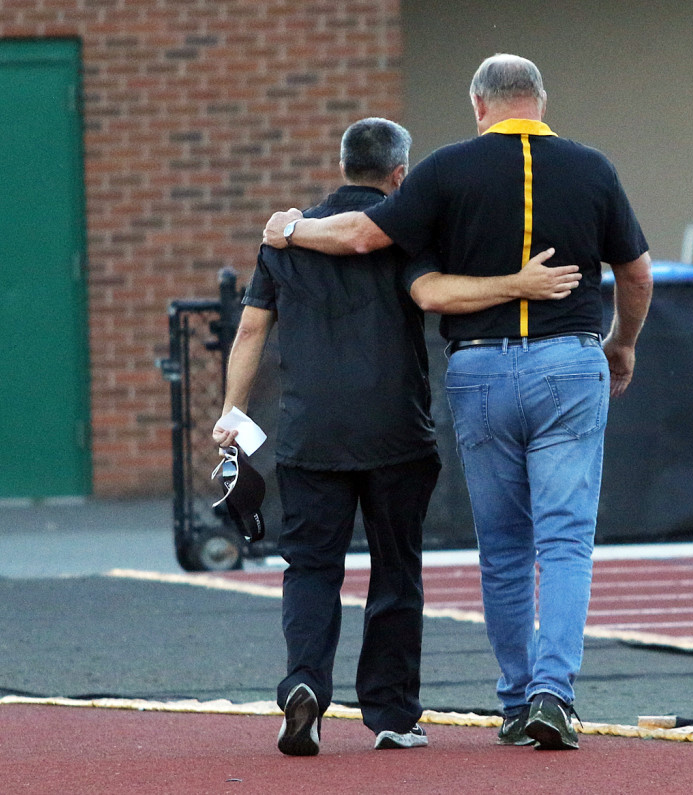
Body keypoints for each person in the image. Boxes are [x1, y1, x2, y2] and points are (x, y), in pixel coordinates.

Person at [262, 55, 654, 751]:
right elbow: (637, 272)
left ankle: (515, 700)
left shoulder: (445, 170)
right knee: (565, 541)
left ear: (479, 104)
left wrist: (287, 230)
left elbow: (372, 244)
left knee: (503, 547)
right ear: (540, 101)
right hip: (569, 364)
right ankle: (552, 693)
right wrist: (621, 343)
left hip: (480, 370)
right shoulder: (593, 168)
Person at [215, 117, 582, 756]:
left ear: (342, 165)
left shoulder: (285, 239)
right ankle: (392, 714)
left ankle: (303, 685)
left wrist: (232, 411)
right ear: (399, 174)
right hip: (396, 433)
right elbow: (440, 295)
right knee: (396, 572)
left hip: (311, 434)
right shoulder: (408, 234)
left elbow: (250, 332)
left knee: (310, 567)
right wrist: (519, 285)